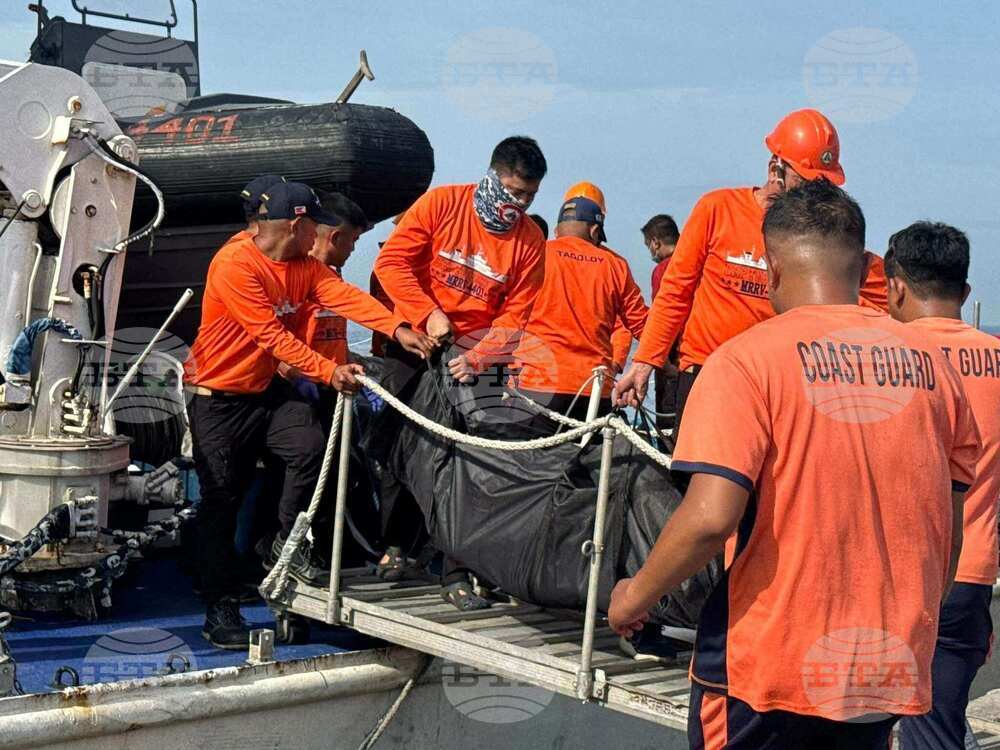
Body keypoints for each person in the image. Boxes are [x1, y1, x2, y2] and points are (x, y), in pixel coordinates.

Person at [607, 180, 981, 748]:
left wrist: (634, 596)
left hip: (766, 669)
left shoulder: (746, 361)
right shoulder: (935, 369)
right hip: (883, 668)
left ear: (772, 269)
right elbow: (947, 532)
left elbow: (711, 518)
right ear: (862, 268)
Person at [184, 181, 434, 648]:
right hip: (218, 398)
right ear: (298, 226)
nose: (322, 234)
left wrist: (400, 328)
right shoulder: (235, 265)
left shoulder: (305, 267)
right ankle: (218, 605)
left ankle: (284, 545)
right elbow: (270, 337)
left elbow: (348, 299)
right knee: (222, 501)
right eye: (316, 225)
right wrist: (328, 371)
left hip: (265, 391)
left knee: (312, 448)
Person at [614, 109, 887, 437]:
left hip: (779, 384)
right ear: (776, 168)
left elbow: (885, 299)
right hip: (707, 375)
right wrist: (645, 362)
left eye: (824, 183)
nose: (816, 192)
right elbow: (676, 291)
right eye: (808, 179)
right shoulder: (717, 209)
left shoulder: (823, 235)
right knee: (695, 484)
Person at [372, 135, 548, 610]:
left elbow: (516, 316)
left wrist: (479, 356)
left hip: (478, 358)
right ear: (491, 176)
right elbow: (391, 264)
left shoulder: (530, 241)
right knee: (398, 454)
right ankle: (397, 545)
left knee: (472, 463)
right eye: (513, 192)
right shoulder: (442, 203)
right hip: (416, 344)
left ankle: (461, 569)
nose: (519, 204)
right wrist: (424, 312)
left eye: (529, 196)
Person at [887, 222, 1000, 750]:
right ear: (967, 292)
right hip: (972, 575)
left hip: (894, 577)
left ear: (896, 286)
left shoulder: (883, 358)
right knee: (939, 724)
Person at [514, 183, 647, 427]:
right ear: (595, 230)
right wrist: (658, 366)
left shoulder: (536, 254)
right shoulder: (615, 265)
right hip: (594, 391)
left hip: (538, 385)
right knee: (593, 462)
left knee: (528, 461)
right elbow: (641, 325)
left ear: (556, 230)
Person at [642, 214, 681, 431]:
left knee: (668, 433)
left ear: (656, 242)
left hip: (674, 363)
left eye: (649, 246)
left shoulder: (664, 269)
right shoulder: (699, 261)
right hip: (699, 363)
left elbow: (662, 317)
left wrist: (662, 362)